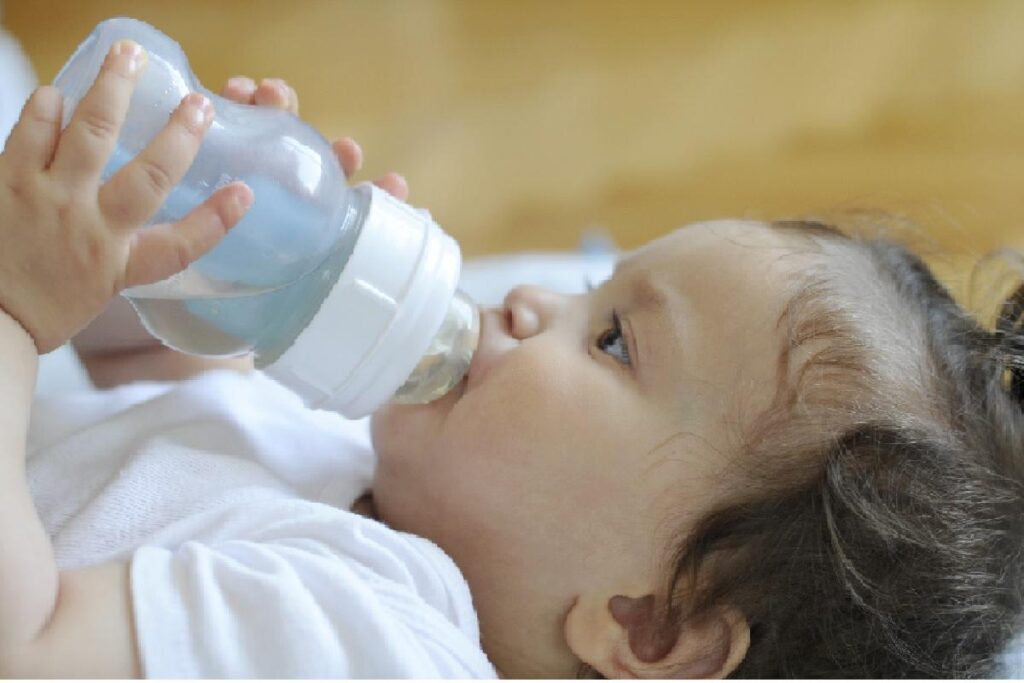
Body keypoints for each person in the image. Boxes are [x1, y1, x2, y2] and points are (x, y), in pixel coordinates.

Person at [0, 39, 1021, 678]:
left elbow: (25, 645)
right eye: (593, 287)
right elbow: (141, 378)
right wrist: (194, 258)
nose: (532, 295)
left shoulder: (375, 641)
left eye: (611, 337)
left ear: (650, 626)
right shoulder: (353, 466)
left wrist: (15, 309)